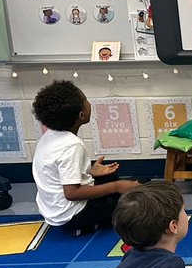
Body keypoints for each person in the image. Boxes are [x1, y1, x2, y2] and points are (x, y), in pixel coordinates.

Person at [31, 80, 138, 235]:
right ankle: (93, 223)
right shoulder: (71, 145)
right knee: (138, 190)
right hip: (74, 215)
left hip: (54, 211)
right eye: (85, 100)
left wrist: (90, 172)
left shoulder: (49, 136)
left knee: (113, 177)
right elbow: (72, 193)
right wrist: (117, 187)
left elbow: (58, 175)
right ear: (81, 115)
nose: (89, 103)